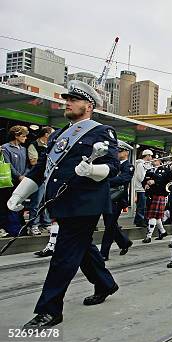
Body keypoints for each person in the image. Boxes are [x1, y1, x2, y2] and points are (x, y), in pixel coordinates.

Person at [8, 80, 119, 327]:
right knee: (82, 248)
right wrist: (18, 195)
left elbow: (113, 168)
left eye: (73, 100)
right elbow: (41, 169)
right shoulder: (58, 134)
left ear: (89, 105)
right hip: (61, 202)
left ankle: (50, 310)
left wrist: (91, 170)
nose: (67, 103)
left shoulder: (102, 131)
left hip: (85, 203)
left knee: (64, 255)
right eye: (66, 99)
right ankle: (105, 284)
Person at [100, 140, 134, 260]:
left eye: (119, 151)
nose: (117, 153)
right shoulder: (113, 164)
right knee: (110, 224)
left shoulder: (128, 166)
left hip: (117, 199)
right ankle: (124, 242)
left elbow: (124, 179)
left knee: (109, 226)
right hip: (107, 197)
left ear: (125, 152)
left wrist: (107, 180)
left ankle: (104, 253)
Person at [1, 125, 29, 236]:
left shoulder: (23, 149)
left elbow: (27, 164)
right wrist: (19, 176)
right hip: (10, 181)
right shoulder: (5, 148)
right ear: (16, 136)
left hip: (21, 181)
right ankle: (7, 228)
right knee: (7, 204)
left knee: (19, 204)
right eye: (24, 135)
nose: (26, 138)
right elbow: (8, 165)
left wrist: (25, 175)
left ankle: (17, 228)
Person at [26, 126, 53, 236]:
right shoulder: (34, 145)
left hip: (48, 177)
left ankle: (45, 224)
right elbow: (33, 162)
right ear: (46, 134)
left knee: (45, 201)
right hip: (37, 177)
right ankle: (33, 225)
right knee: (36, 201)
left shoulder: (51, 145)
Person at [142, 158, 169, 243]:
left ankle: (148, 236)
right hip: (151, 195)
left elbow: (165, 181)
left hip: (159, 194)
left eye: (156, 160)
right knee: (156, 217)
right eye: (153, 160)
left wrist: (155, 181)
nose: (153, 162)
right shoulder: (149, 170)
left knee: (152, 216)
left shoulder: (164, 170)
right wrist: (145, 184)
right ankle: (163, 232)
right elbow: (144, 180)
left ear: (160, 161)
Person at [133, 149, 153, 227]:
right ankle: (139, 220)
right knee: (141, 205)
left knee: (143, 205)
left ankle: (140, 220)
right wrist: (146, 182)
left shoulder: (146, 164)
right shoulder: (140, 164)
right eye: (150, 155)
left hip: (145, 188)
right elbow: (140, 177)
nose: (151, 157)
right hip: (141, 188)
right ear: (147, 156)